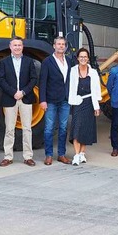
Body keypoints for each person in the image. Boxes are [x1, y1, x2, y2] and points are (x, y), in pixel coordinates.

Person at [0, 37, 37, 167]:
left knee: (27, 129)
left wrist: (23, 92)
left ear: (22, 47)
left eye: (19, 45)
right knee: (9, 129)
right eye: (15, 45)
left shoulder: (29, 61)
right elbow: (1, 80)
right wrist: (13, 92)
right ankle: (8, 157)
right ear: (10, 47)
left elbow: (33, 79)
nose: (17, 47)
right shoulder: (4, 62)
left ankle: (28, 156)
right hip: (10, 98)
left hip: (25, 99)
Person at [39, 36, 73, 165]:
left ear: (65, 47)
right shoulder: (47, 61)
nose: (61, 46)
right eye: (58, 44)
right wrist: (43, 100)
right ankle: (48, 155)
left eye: (63, 44)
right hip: (51, 100)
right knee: (49, 128)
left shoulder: (69, 61)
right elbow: (42, 82)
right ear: (54, 46)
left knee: (63, 128)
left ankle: (61, 154)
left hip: (65, 100)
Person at [67, 48, 102, 165]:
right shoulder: (72, 71)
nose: (83, 59)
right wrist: (71, 101)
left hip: (89, 103)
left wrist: (97, 107)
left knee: (86, 129)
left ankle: (82, 153)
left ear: (88, 58)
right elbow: (70, 87)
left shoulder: (93, 72)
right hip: (77, 103)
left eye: (85, 57)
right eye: (81, 57)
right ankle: (76, 155)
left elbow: (97, 90)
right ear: (77, 58)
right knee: (76, 128)